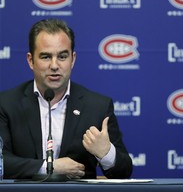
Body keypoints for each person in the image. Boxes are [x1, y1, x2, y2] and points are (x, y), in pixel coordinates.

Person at [0, 19, 133, 179]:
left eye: (62, 56)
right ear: (31, 61)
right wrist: (50, 167)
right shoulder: (6, 104)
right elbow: (2, 162)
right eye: (46, 57)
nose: (54, 65)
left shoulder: (97, 106)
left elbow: (124, 171)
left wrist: (106, 154)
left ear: (73, 59)